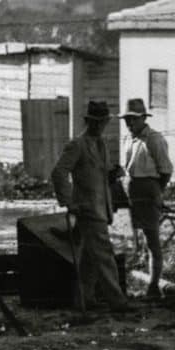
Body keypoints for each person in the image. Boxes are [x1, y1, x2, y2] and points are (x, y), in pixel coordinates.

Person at [50, 99, 130, 313]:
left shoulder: (102, 144)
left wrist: (113, 174)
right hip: (87, 208)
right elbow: (59, 172)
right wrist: (68, 202)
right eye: (95, 121)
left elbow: (99, 176)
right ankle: (117, 301)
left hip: (101, 207)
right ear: (87, 121)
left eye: (102, 121)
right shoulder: (77, 144)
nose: (99, 125)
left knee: (89, 259)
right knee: (104, 254)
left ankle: (84, 298)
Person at [120, 98, 173, 299]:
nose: (129, 124)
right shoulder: (129, 139)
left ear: (143, 118)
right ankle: (144, 279)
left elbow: (166, 170)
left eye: (133, 120)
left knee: (152, 240)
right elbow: (128, 167)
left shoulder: (154, 139)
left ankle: (153, 286)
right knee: (138, 237)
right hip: (133, 190)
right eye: (126, 120)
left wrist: (156, 192)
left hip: (149, 189)